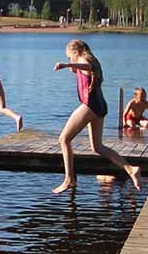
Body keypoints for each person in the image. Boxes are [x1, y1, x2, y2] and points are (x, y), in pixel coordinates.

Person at [53, 39, 142, 193]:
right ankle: (130, 169)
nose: (69, 59)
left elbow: (88, 67)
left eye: (69, 57)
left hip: (90, 105)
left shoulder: (83, 59)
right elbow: (88, 70)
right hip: (100, 106)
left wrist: (68, 65)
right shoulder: (91, 59)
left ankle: (69, 179)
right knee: (97, 147)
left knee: (63, 139)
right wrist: (73, 68)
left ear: (75, 52)